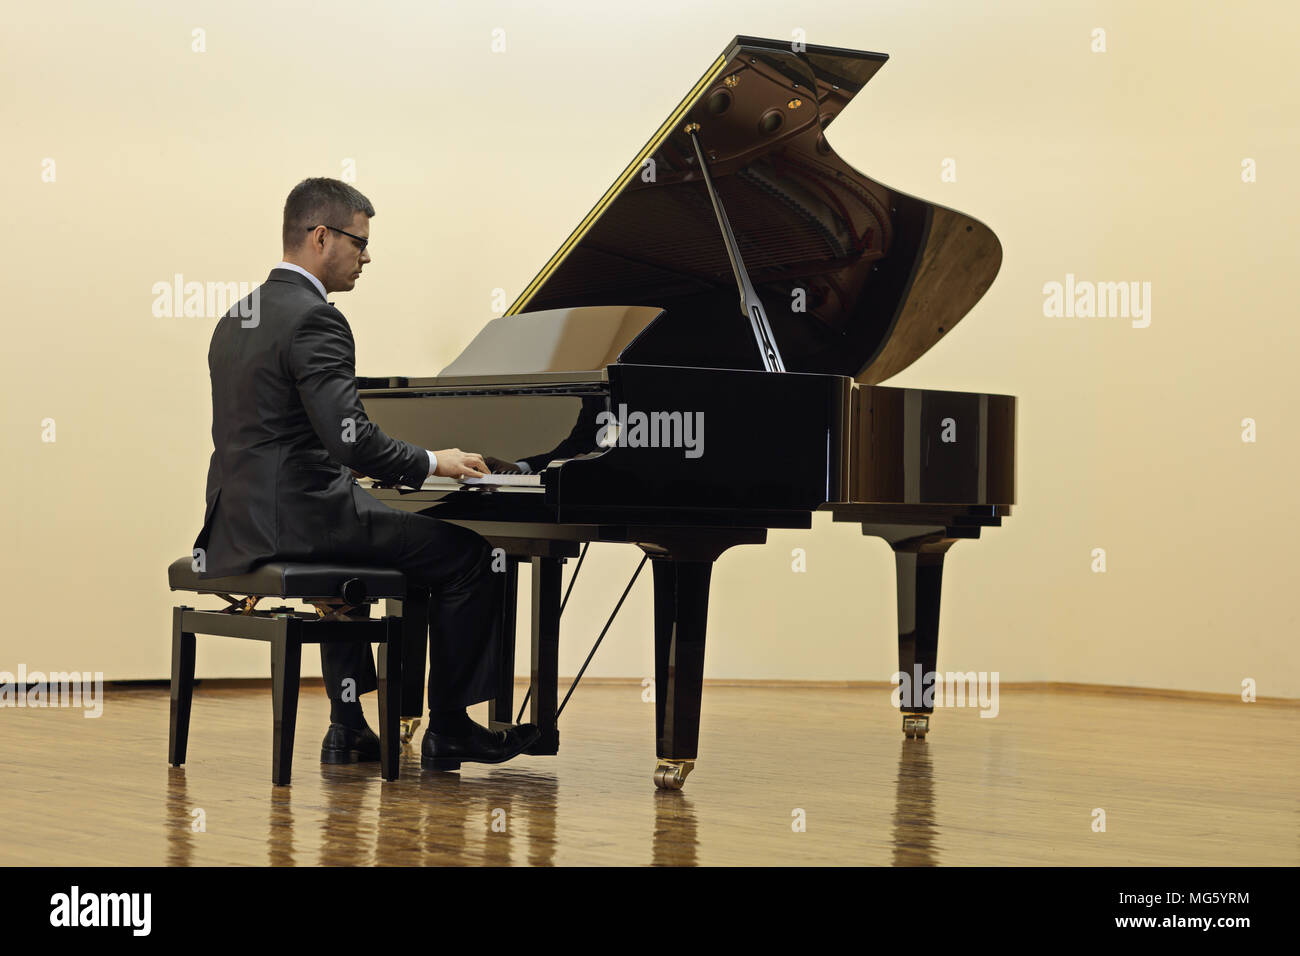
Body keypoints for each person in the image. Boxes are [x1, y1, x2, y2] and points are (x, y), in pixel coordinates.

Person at [192, 177, 539, 771]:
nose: (367, 255)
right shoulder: (316, 320)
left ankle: (349, 728)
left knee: (370, 573)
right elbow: (350, 440)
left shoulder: (236, 316)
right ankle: (450, 728)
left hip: (237, 521)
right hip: (304, 519)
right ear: (320, 236)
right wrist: (435, 462)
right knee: (471, 560)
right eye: (359, 241)